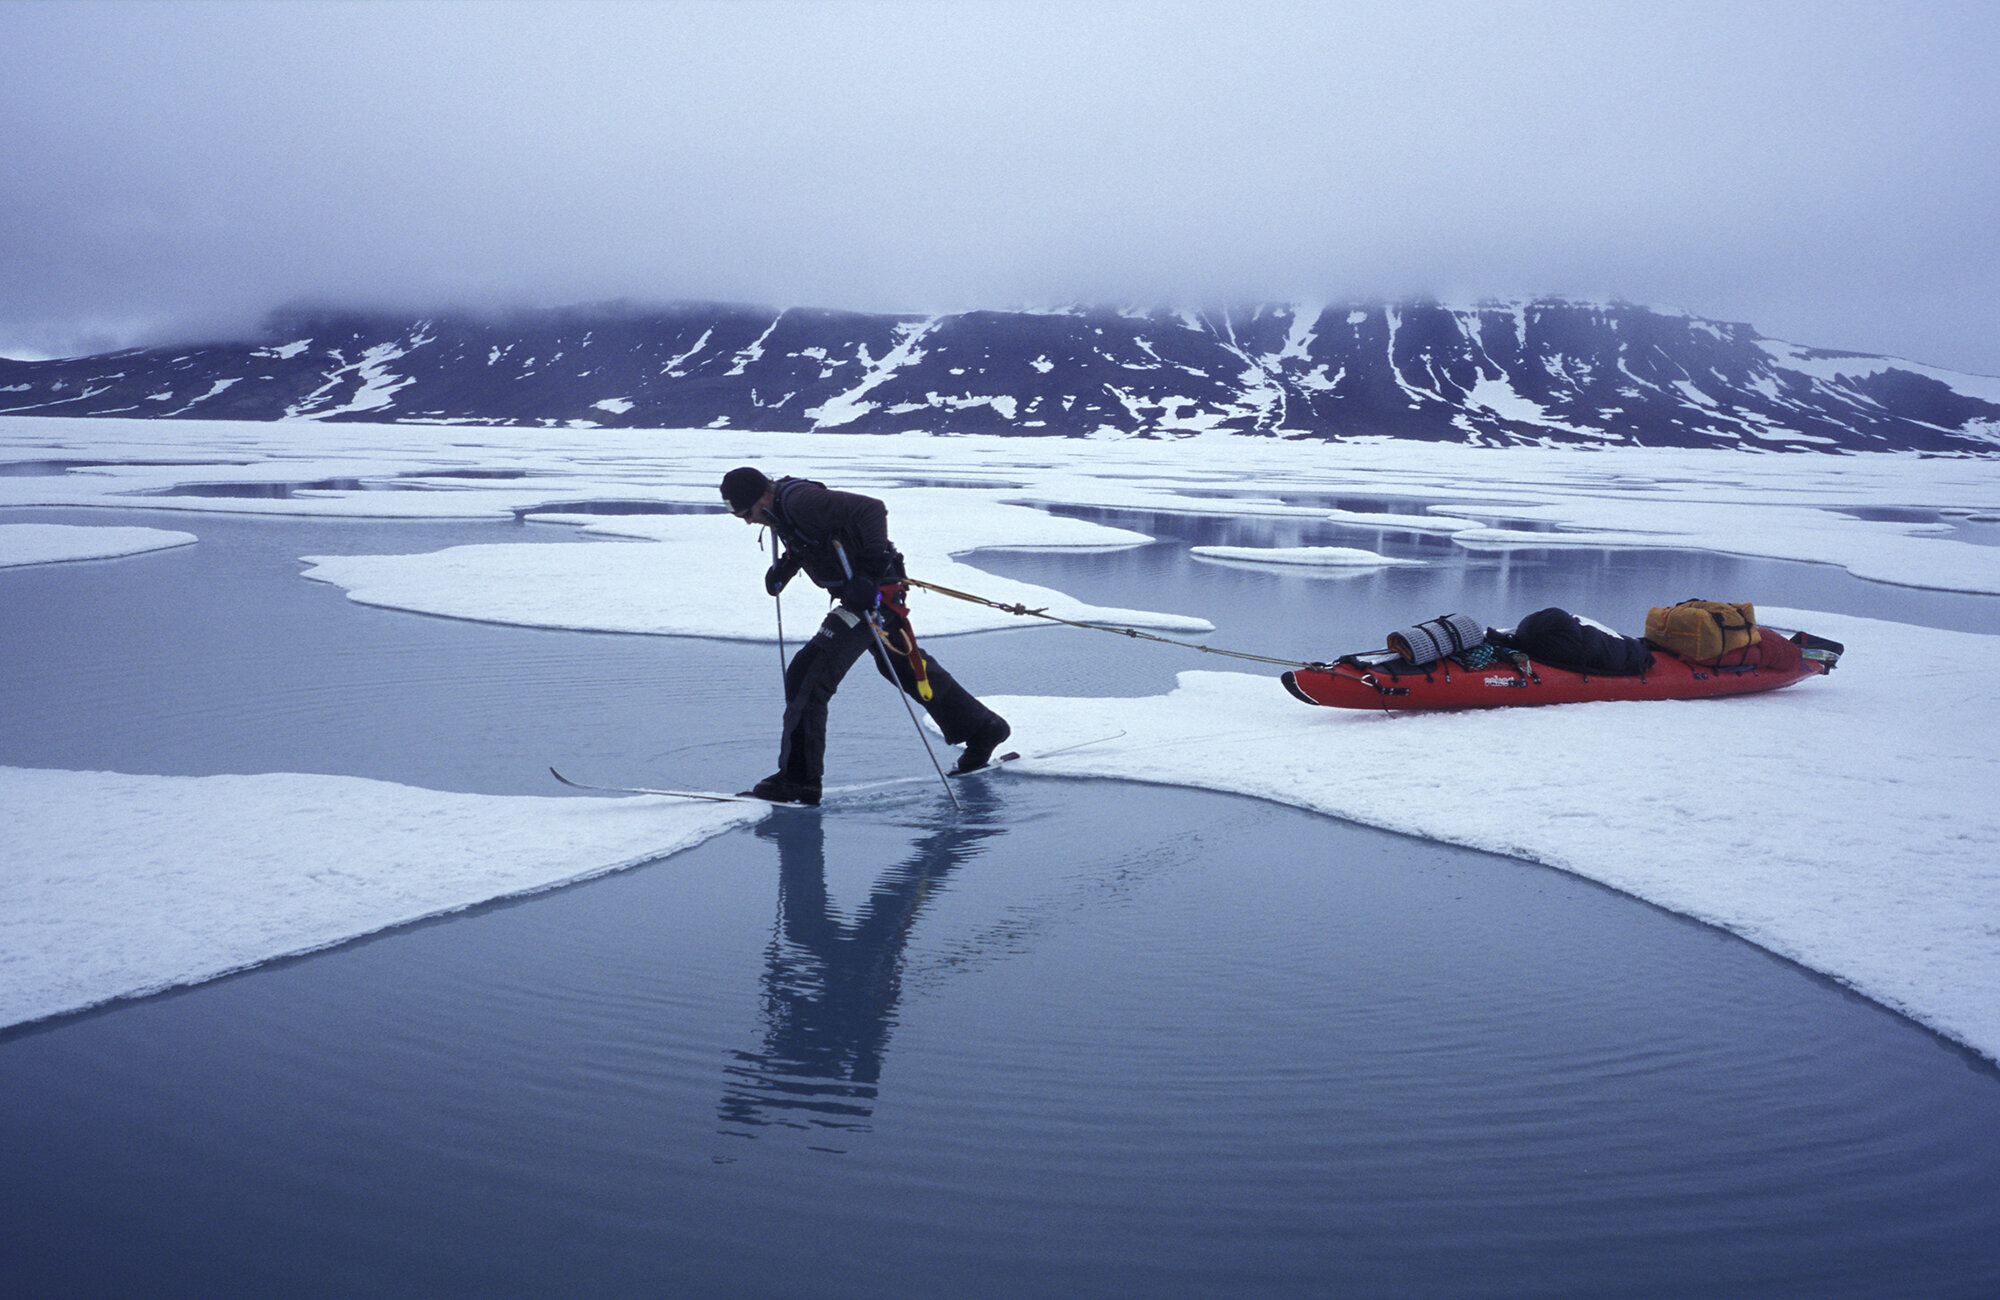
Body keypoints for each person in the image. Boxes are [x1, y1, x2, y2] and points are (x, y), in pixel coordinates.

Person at [721, 467, 1011, 806]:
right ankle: (982, 729)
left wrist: (870, 574)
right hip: (866, 595)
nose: (748, 522)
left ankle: (799, 781)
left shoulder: (801, 501)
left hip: (875, 597)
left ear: (764, 495)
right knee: (901, 666)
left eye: (748, 513)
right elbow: (819, 538)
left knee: (807, 674)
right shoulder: (782, 510)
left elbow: (871, 508)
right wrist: (787, 567)